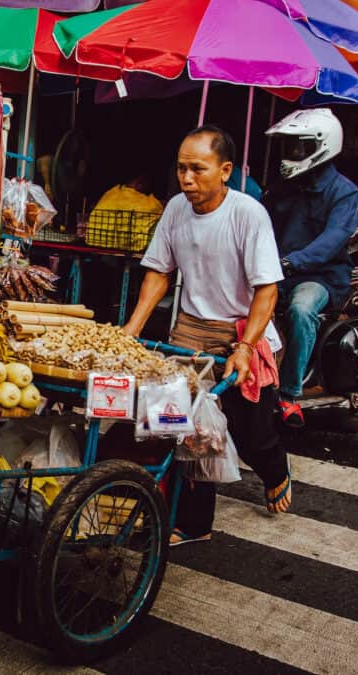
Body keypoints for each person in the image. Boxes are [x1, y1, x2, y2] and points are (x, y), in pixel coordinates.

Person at [123, 125, 290, 546]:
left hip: (242, 330)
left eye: (198, 169)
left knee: (252, 436)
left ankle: (276, 470)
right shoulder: (176, 209)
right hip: (190, 330)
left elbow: (267, 289)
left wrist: (246, 348)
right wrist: (132, 329)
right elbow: (159, 271)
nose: (187, 178)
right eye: (181, 169)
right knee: (183, 430)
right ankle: (194, 523)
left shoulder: (248, 214)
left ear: (226, 171)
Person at [262, 108, 358, 428]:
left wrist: (293, 262)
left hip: (320, 277)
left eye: (298, 147)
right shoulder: (282, 187)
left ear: (322, 146)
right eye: (289, 147)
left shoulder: (344, 192)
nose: (291, 154)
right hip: (278, 271)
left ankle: (289, 395)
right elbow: (259, 223)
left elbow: (333, 240)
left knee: (301, 310)